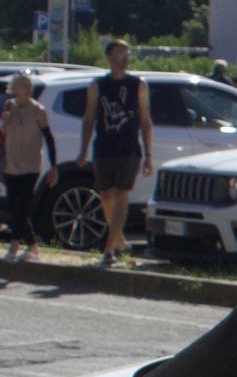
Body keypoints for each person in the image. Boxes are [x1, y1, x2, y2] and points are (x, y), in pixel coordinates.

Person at [81, 39, 152, 268]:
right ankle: (118, 238)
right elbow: (89, 117)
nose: (125, 57)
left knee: (122, 193)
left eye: (127, 53)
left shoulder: (138, 84)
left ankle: (109, 248)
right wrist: (83, 149)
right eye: (120, 54)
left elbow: (145, 119)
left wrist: (149, 152)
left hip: (129, 148)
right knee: (106, 195)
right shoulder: (97, 85)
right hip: (104, 147)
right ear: (110, 57)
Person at [0, 72, 55, 263]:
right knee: (14, 207)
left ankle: (14, 245)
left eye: (29, 85)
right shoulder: (9, 107)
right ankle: (32, 246)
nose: (27, 89)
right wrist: (4, 121)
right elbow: (4, 134)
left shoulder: (38, 110)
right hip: (11, 163)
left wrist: (54, 166)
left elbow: (49, 138)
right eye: (23, 85)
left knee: (23, 205)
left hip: (30, 164)